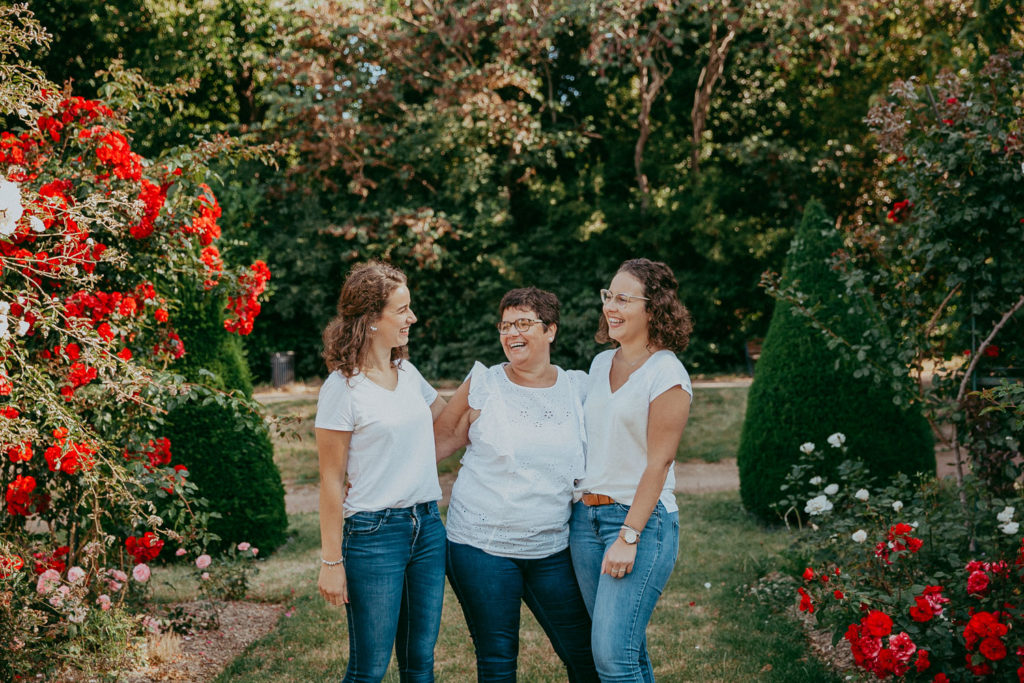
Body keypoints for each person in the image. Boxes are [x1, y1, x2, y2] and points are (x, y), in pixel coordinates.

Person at [434, 287, 599, 683]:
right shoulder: (484, 383)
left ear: (551, 330)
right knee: (497, 659)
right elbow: (438, 441)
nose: (512, 333)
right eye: (505, 325)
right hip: (480, 545)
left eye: (524, 323)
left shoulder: (579, 387)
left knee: (586, 652)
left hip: (552, 545)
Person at [315, 261, 449, 683]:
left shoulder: (408, 373)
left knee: (420, 664)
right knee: (369, 669)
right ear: (372, 320)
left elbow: (451, 426)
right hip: (374, 536)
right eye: (402, 310)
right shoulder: (343, 387)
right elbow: (331, 481)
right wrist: (331, 562)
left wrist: (495, 384)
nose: (412, 318)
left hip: (427, 528)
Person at [570, 258, 693, 682]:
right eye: (608, 296)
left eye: (623, 298)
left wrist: (629, 535)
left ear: (653, 308)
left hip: (640, 522)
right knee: (626, 650)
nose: (610, 307)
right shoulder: (601, 364)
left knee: (611, 657)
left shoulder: (667, 374)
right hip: (586, 521)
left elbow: (659, 462)